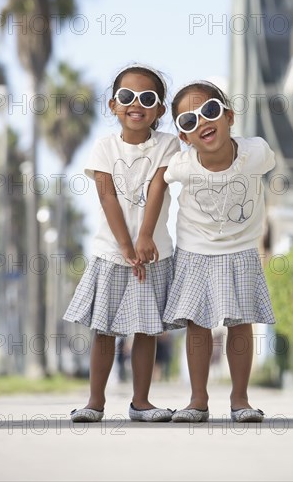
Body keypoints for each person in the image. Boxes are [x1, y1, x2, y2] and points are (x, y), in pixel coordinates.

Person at [63, 63, 180, 422]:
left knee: (145, 330)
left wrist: (144, 239)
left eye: (148, 98)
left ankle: (141, 402)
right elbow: (107, 197)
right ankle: (94, 402)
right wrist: (127, 248)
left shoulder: (167, 144)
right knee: (104, 330)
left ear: (160, 109)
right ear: (113, 105)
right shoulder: (103, 147)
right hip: (111, 253)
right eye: (127, 97)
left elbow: (158, 188)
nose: (136, 104)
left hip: (153, 253)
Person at [163, 80, 276, 423]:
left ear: (228, 116)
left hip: (241, 247)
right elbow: (155, 183)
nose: (202, 122)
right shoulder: (181, 165)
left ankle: (240, 400)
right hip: (195, 249)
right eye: (189, 121)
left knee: (240, 323)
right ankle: (198, 400)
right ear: (184, 137)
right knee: (197, 324)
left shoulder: (256, 152)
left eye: (209, 111)